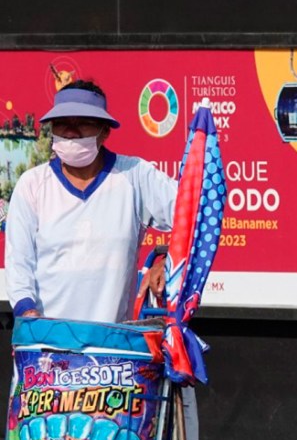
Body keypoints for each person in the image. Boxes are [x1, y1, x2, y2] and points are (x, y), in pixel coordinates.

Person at [5, 80, 176, 323]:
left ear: (105, 131)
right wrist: (27, 312)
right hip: (48, 345)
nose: (71, 132)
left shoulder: (134, 175)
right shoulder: (32, 185)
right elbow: (19, 263)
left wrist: (170, 260)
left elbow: (196, 213)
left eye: (83, 123)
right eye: (62, 123)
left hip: (113, 348)